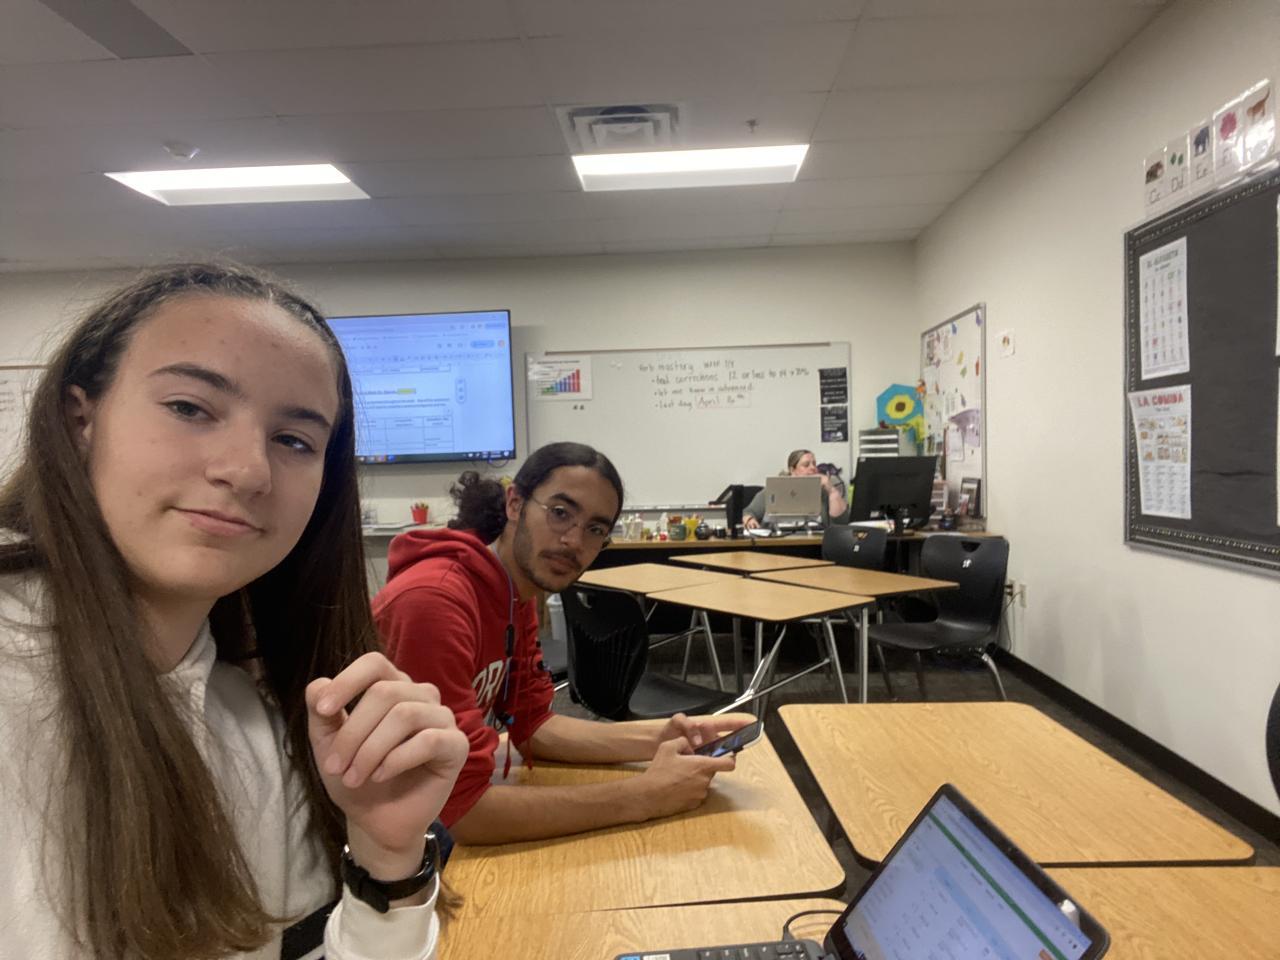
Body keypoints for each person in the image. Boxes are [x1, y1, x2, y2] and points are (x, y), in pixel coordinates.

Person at [0, 264, 468, 960]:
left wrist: (387, 857)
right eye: (190, 408)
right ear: (80, 421)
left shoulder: (251, 715)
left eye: (295, 440)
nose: (248, 470)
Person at [373, 441, 753, 844]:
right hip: (377, 833)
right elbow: (463, 812)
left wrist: (662, 738)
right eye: (560, 513)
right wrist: (645, 795)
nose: (574, 541)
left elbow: (533, 726)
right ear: (515, 504)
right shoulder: (435, 602)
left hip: (424, 810)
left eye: (595, 529)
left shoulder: (514, 589)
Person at [743, 449, 849, 529]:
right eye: (806, 465)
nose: (813, 468)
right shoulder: (775, 488)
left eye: (814, 464)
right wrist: (750, 520)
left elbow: (841, 522)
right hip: (777, 542)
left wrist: (831, 490)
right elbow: (749, 512)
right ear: (792, 470)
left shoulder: (823, 493)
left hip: (814, 544)